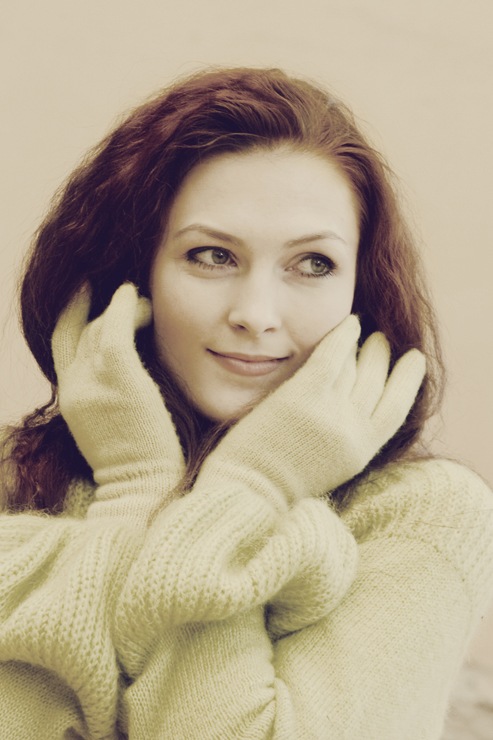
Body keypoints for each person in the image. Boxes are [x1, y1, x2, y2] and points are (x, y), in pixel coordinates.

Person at [0, 67, 492, 740]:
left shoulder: (423, 517)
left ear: (359, 291)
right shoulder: (16, 481)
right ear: (135, 274)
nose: (256, 314)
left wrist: (252, 486)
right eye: (211, 256)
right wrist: (137, 488)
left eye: (312, 264)